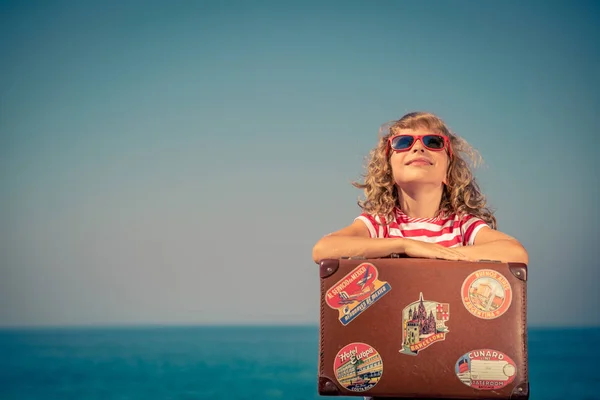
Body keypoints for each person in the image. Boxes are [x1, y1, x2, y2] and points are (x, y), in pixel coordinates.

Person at [312, 111, 528, 265]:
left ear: (448, 172)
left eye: (433, 142)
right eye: (403, 142)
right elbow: (324, 248)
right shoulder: (380, 224)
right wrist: (405, 245)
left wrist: (443, 256)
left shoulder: (461, 226)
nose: (417, 147)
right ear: (389, 171)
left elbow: (515, 252)